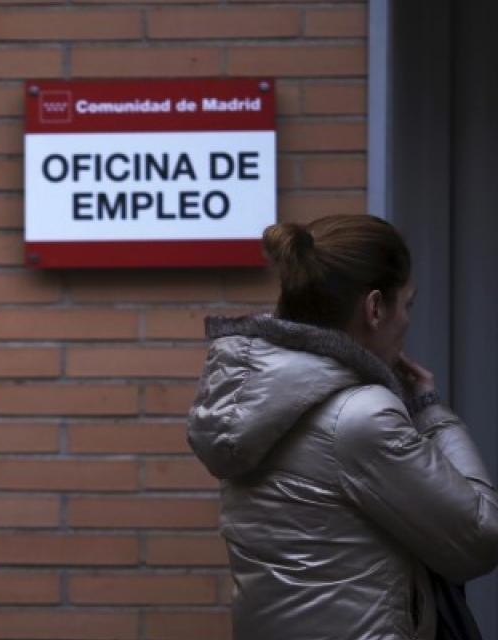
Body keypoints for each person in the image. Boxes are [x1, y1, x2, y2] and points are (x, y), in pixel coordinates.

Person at [188, 214, 498, 639]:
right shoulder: (360, 417)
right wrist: (429, 408)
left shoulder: (255, 401)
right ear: (374, 307)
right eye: (407, 304)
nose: (407, 321)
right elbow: (480, 538)